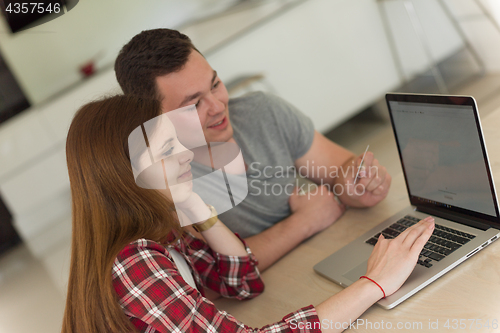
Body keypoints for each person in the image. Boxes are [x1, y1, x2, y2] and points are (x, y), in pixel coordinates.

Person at [61, 95, 435, 333]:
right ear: (127, 177)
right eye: (168, 150)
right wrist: (374, 285)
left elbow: (243, 282)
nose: (188, 154)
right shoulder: (135, 262)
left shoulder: (163, 238)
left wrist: (195, 207)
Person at [114, 29, 392, 271]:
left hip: (328, 258)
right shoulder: (160, 179)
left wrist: (361, 184)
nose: (217, 105)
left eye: (215, 85)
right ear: (153, 119)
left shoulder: (263, 111)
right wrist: (304, 222)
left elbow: (340, 173)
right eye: (194, 105)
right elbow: (213, 278)